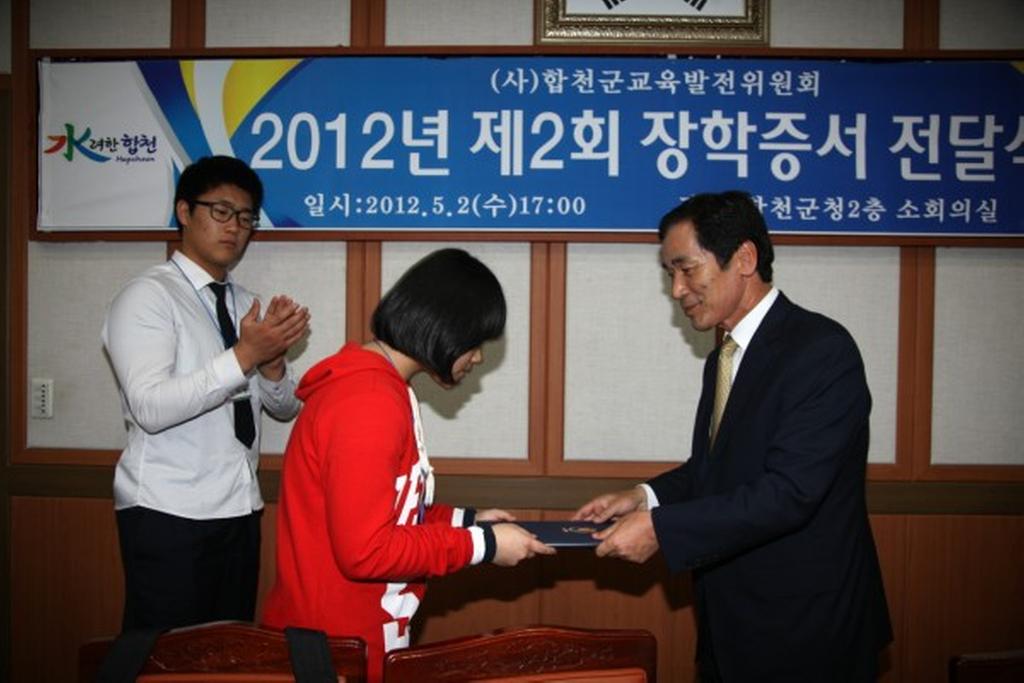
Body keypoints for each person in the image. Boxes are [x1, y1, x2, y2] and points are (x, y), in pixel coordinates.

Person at [574, 191, 892, 682]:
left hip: (807, 631)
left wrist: (661, 530)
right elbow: (715, 470)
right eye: (669, 274)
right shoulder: (723, 357)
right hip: (731, 624)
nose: (677, 289)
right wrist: (644, 496)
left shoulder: (821, 351)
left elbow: (790, 492)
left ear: (744, 258)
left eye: (687, 269)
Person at [261, 248, 555, 683]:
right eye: (475, 343)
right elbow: (366, 551)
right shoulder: (368, 400)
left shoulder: (381, 388)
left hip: (350, 636)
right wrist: (484, 546)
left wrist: (468, 521)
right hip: (333, 649)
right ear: (445, 327)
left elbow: (390, 515)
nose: (477, 358)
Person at [102, 155, 311, 630]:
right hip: (167, 511)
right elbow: (150, 407)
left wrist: (272, 363)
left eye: (246, 218)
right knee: (165, 655)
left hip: (240, 507)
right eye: (221, 211)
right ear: (184, 211)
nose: (234, 227)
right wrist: (245, 355)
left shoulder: (245, 303)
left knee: (227, 652)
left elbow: (284, 408)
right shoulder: (147, 296)